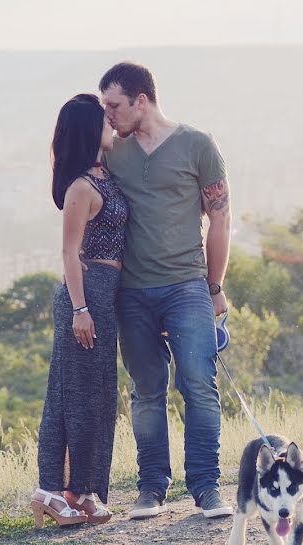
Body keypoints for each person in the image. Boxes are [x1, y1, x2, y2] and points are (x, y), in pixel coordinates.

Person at [99, 62, 234, 519]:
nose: (109, 114)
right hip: (131, 292)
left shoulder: (197, 145)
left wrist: (215, 287)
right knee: (146, 390)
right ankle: (151, 488)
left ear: (142, 99)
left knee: (198, 383)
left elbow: (220, 219)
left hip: (187, 287)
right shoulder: (113, 154)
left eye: (114, 105)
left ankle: (207, 488)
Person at [31, 94, 129, 527]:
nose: (112, 122)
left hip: (105, 296)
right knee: (69, 398)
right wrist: (80, 309)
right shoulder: (81, 188)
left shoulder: (105, 175)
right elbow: (70, 254)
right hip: (84, 296)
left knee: (98, 398)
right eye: (104, 118)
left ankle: (84, 491)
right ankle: (50, 492)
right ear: (92, 129)